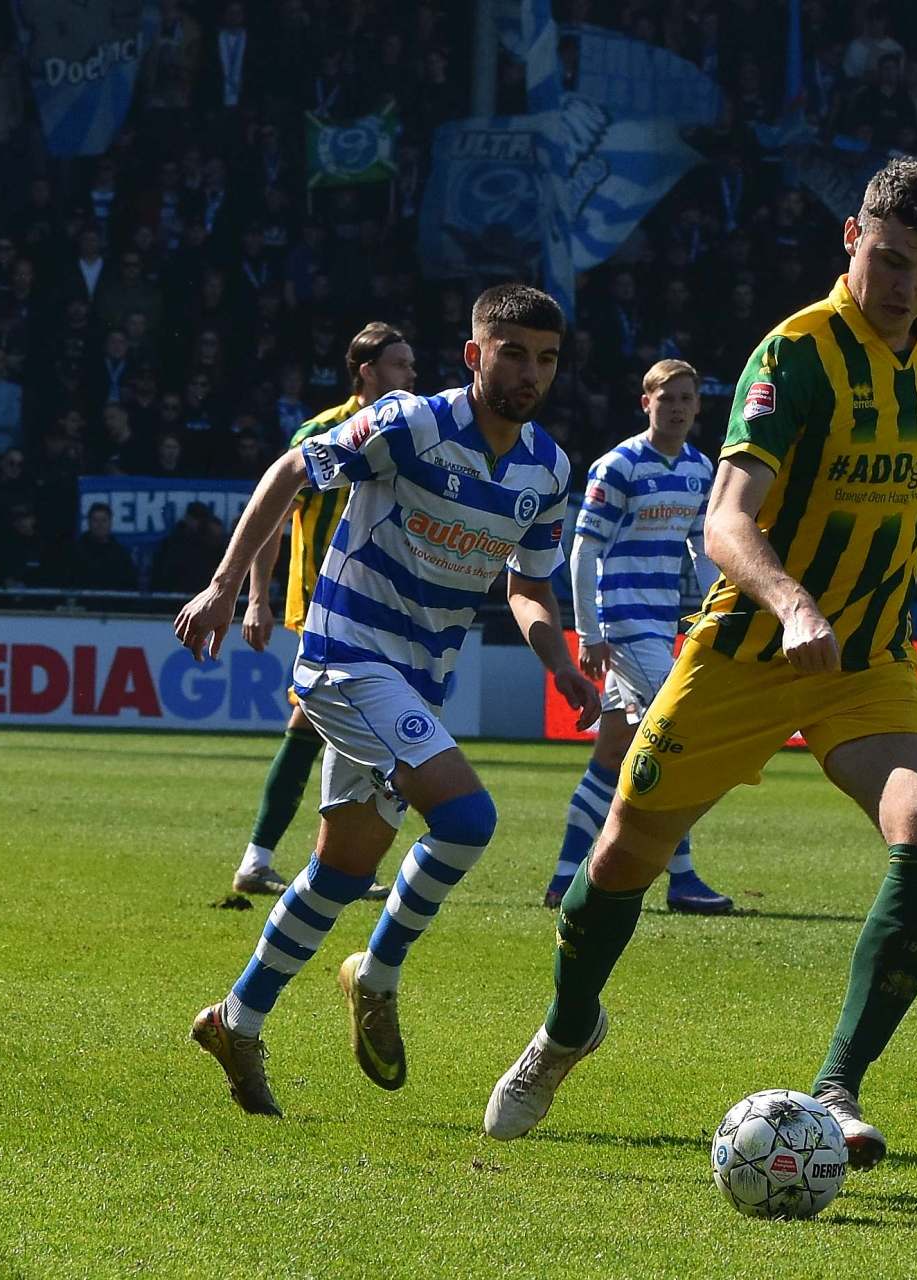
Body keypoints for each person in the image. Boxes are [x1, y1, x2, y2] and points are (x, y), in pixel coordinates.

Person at [482, 160, 917, 1165]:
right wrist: (792, 600)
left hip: (868, 655)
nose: (904, 288)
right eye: (887, 261)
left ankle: (837, 1085)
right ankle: (568, 1026)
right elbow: (726, 520)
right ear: (851, 239)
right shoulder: (793, 356)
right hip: (749, 650)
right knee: (621, 853)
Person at [175, 285, 600, 1116]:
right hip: (346, 656)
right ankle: (376, 972)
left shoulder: (547, 469)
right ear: (476, 355)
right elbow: (294, 468)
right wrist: (228, 585)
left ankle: (236, 1018)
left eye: (545, 358)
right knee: (470, 821)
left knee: (340, 869)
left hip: (418, 679)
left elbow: (530, 587)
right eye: (511, 352)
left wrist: (562, 662)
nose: (529, 372)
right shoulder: (412, 423)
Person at [228, 322, 417, 898]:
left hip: (381, 604)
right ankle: (322, 865)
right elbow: (273, 519)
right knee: (349, 728)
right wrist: (255, 598)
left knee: (328, 729)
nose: (411, 376)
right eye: (400, 366)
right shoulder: (322, 433)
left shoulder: (409, 434)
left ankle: (294, 862)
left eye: (411, 365)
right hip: (326, 603)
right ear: (366, 373)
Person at [545, 358, 731, 915]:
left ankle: (562, 877)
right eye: (666, 397)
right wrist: (590, 632)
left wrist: (713, 610)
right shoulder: (618, 465)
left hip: (661, 623)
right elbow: (583, 551)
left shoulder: (700, 470)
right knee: (677, 744)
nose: (676, 408)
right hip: (624, 626)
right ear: (645, 402)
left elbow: (701, 550)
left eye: (685, 399)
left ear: (698, 406)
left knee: (612, 755)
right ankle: (682, 877)